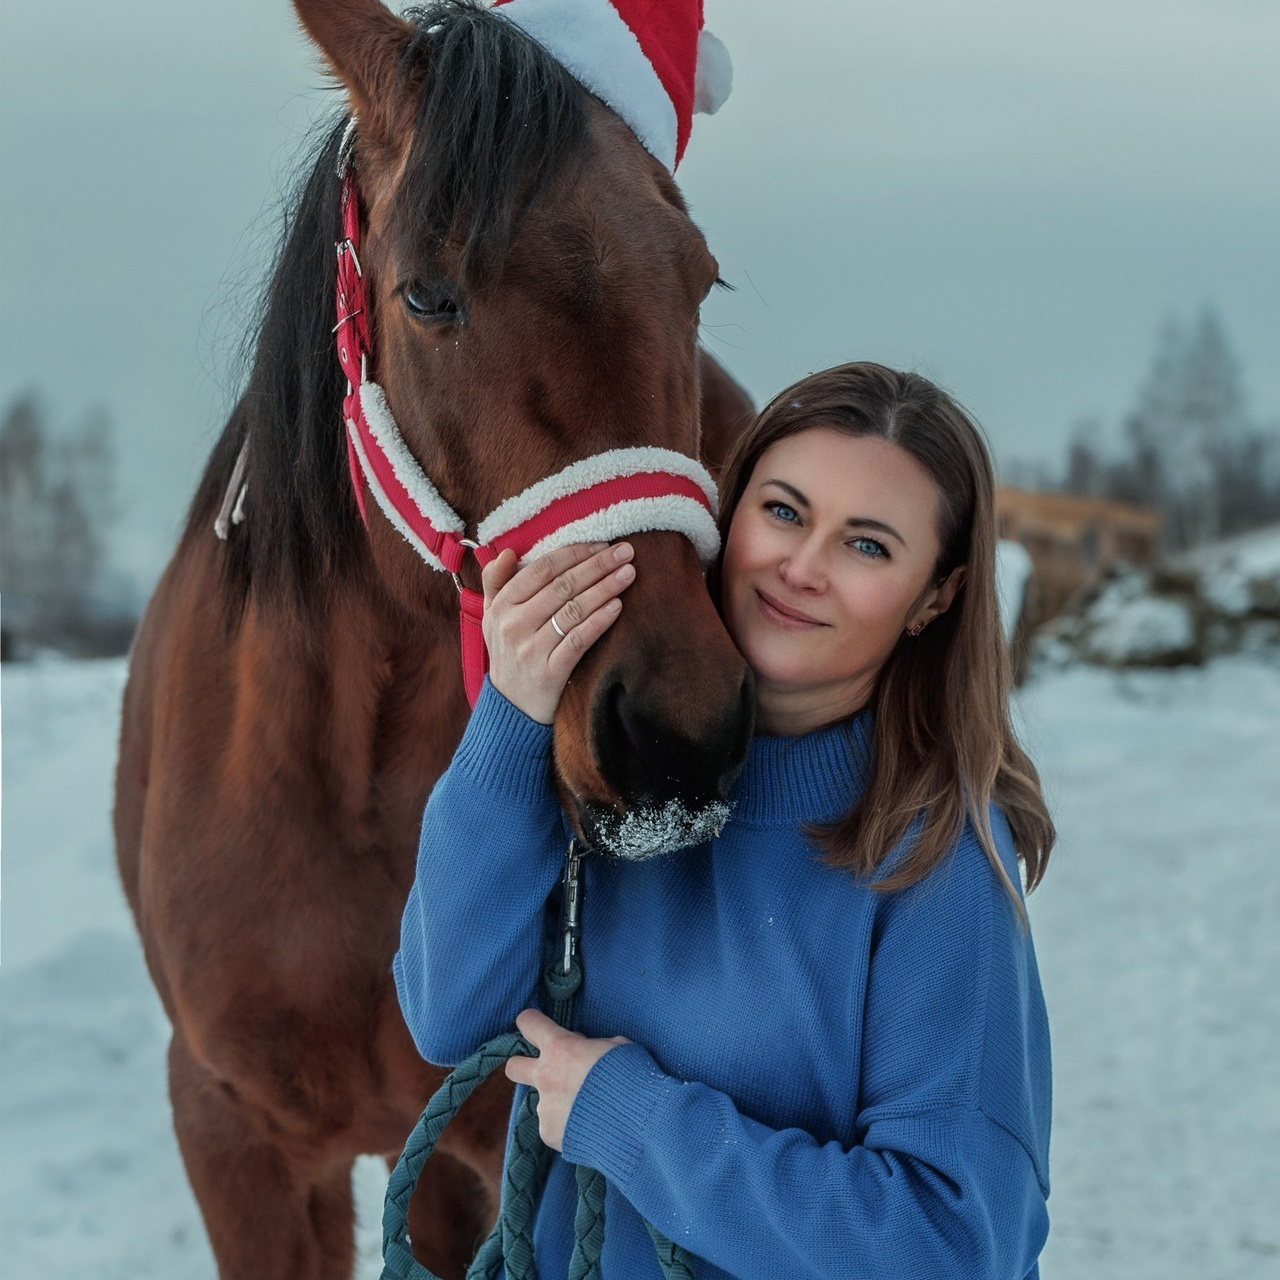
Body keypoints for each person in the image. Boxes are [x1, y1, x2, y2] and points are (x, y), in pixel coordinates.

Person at [395, 362, 1055, 1278]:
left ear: (933, 599)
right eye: (783, 512)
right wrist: (512, 717)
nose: (802, 567)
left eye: (866, 546)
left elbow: (951, 1243)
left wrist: (637, 1124)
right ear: (725, 513)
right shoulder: (626, 771)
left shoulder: (934, 859)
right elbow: (447, 1013)